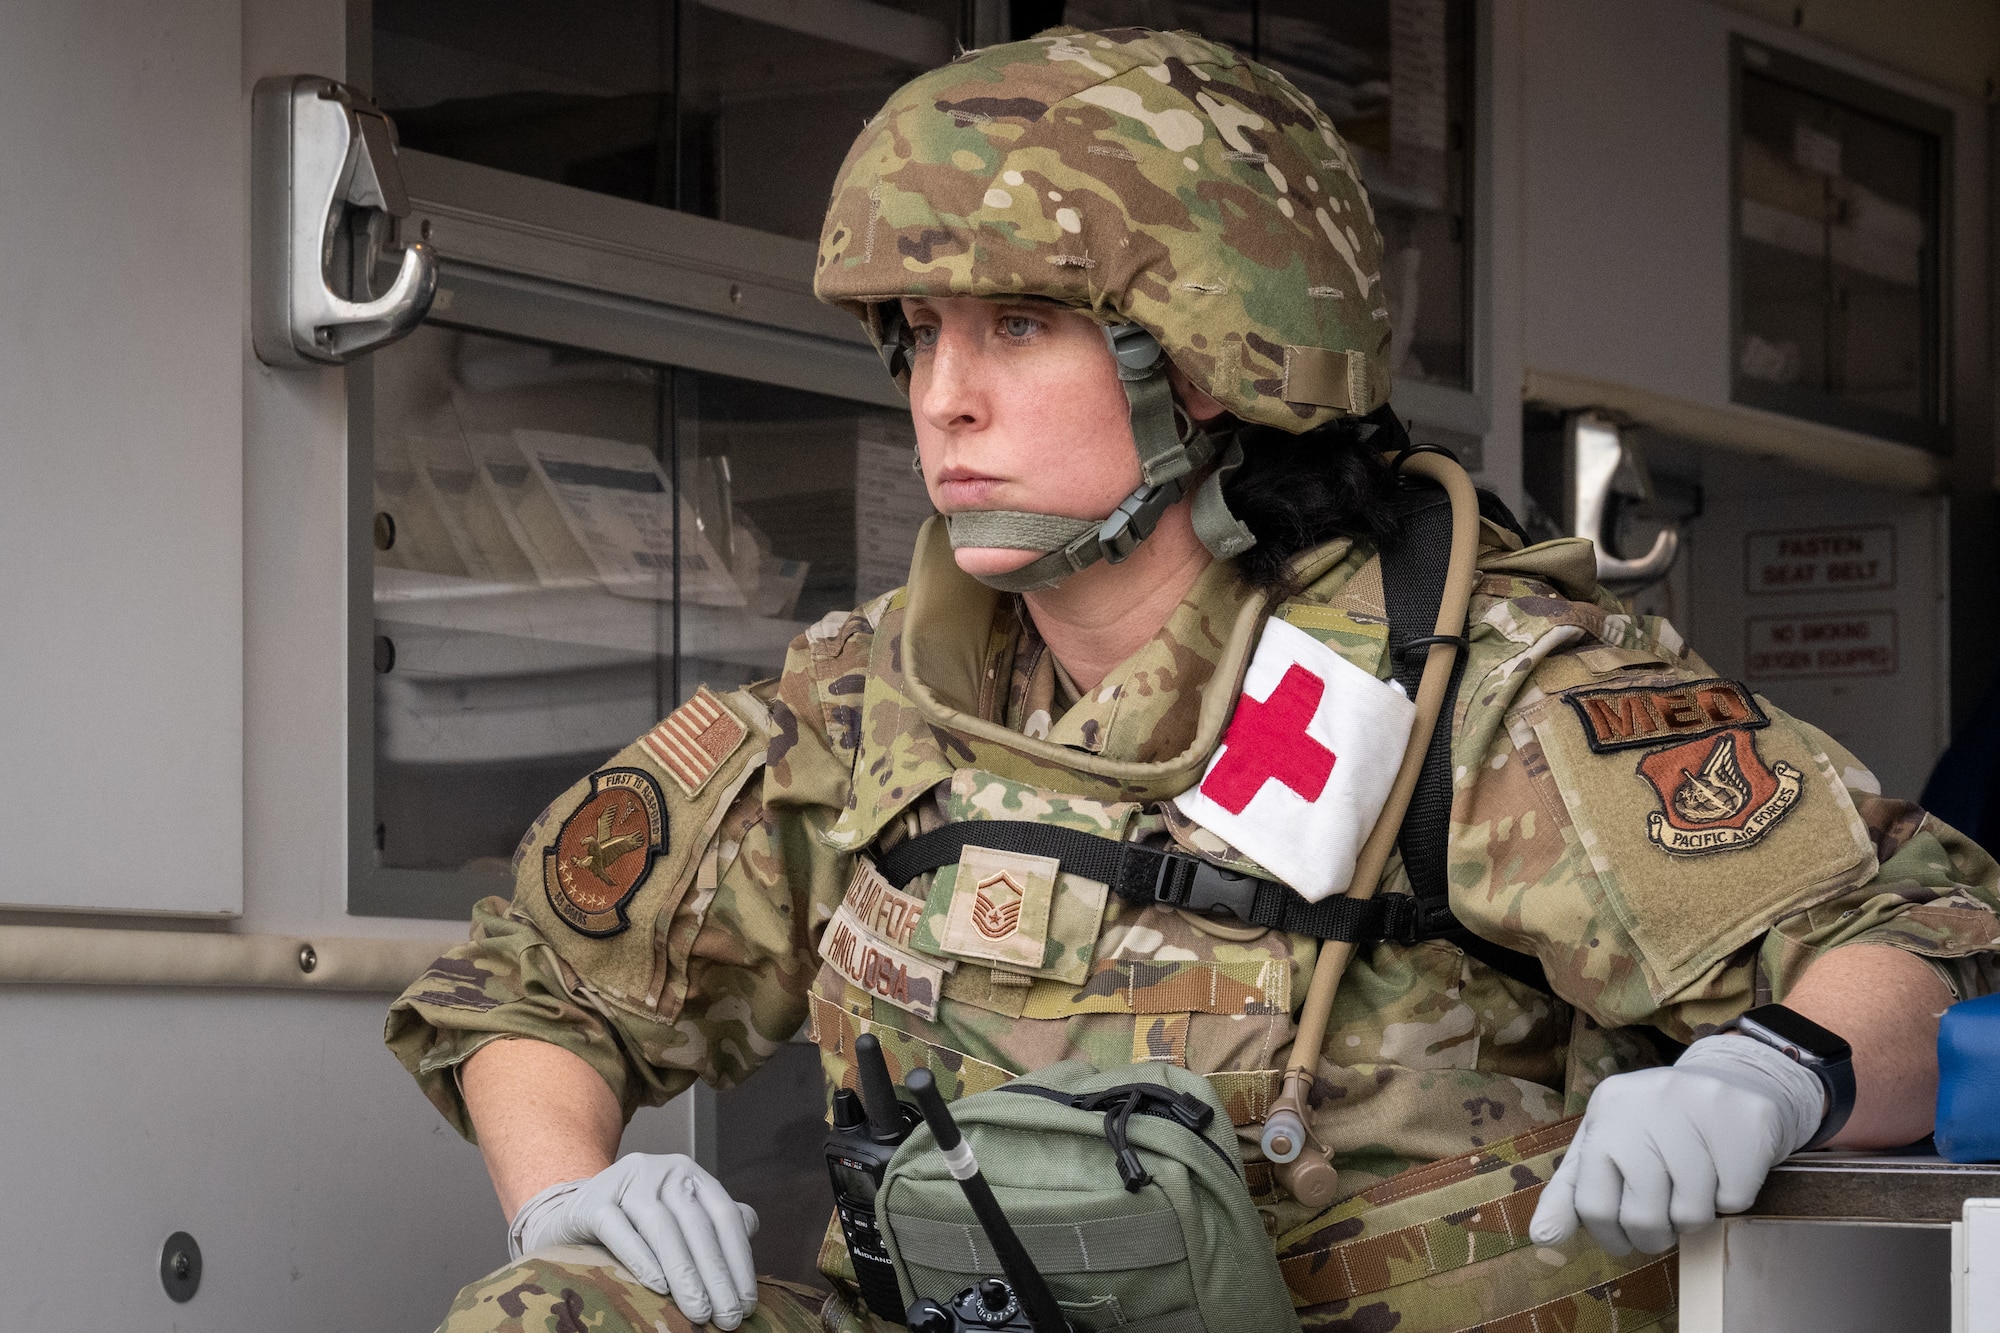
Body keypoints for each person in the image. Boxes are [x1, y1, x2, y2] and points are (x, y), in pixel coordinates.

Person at [387, 26, 2000, 1333]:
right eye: (917, 331)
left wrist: (1774, 1070)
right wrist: (566, 1193)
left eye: (1018, 324)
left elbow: (1935, 934)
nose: (942, 398)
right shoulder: (873, 701)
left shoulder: (1472, 692)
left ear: (1220, 357)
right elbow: (540, 979)